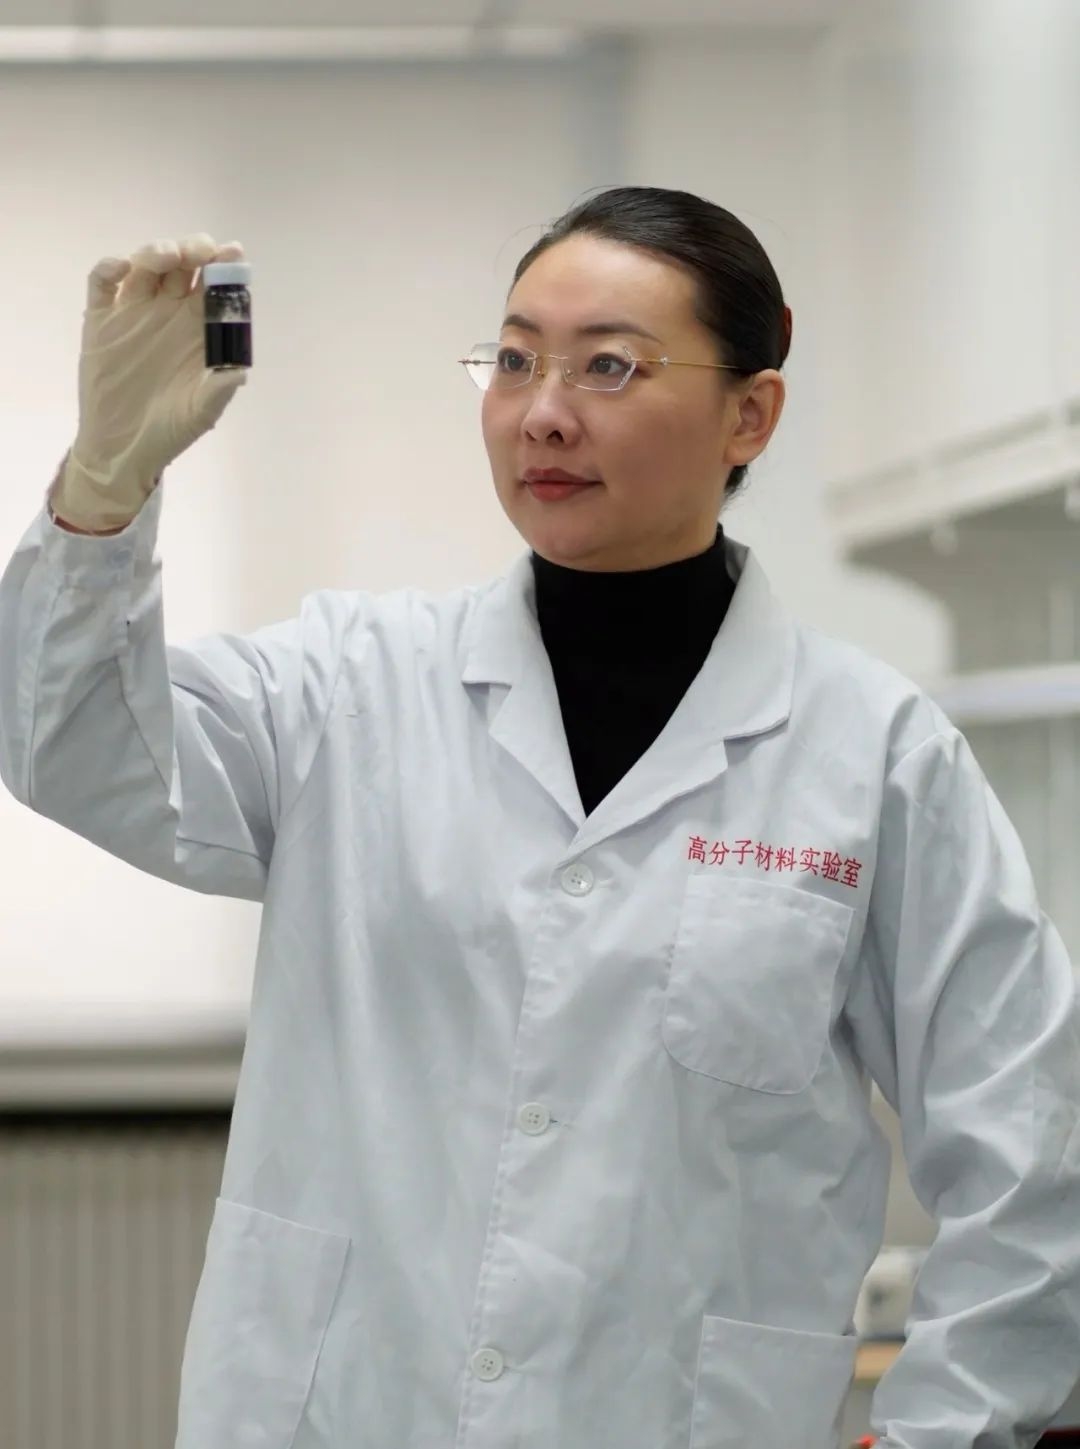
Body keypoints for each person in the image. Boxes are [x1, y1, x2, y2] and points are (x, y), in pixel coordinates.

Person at [1, 186, 1079, 1449]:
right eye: (514, 361)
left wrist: (941, 1436)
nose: (543, 412)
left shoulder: (874, 754)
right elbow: (66, 744)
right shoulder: (350, 688)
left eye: (609, 365)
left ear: (750, 414)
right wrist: (103, 485)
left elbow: (1031, 1145)